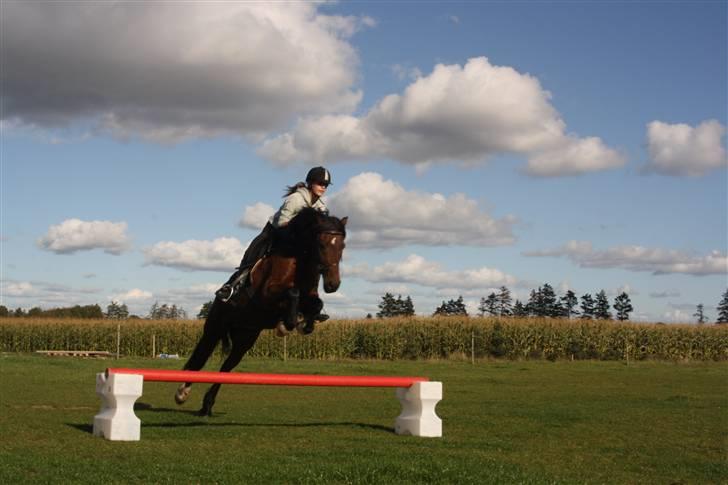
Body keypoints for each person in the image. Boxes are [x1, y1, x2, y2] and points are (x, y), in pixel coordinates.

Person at [215, 166, 333, 310]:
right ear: (310, 182)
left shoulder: (321, 208)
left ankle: (310, 300)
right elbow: (282, 223)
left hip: (297, 241)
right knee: (253, 258)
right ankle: (233, 287)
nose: (323, 187)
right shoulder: (296, 199)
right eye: (320, 183)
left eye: (325, 185)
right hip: (274, 233)